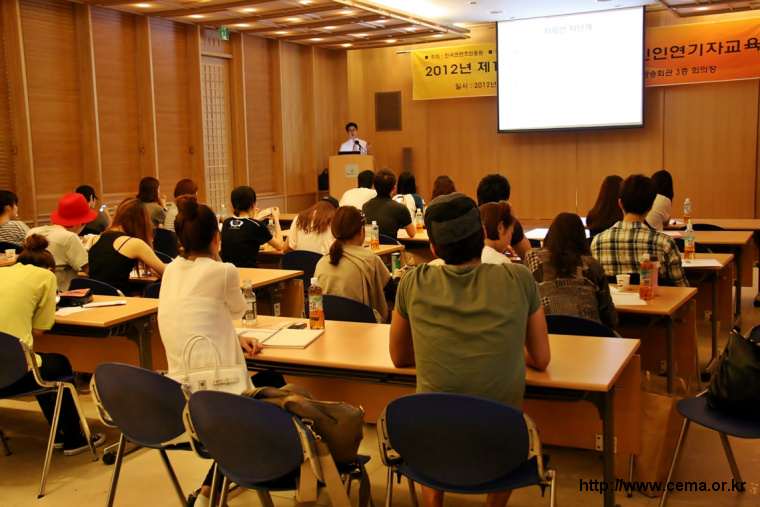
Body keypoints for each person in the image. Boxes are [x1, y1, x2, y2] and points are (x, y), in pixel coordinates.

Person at [389, 192, 550, 507]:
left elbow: (399, 358)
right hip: (501, 444)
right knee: (502, 426)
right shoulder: (518, 278)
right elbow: (542, 359)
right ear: (483, 235)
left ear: (433, 248)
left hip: (431, 444)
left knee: (435, 421)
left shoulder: (412, 282)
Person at [158, 195, 281, 507]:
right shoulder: (224, 270)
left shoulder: (170, 270)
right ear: (217, 237)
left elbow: (195, 318)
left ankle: (207, 492)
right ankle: (255, 471)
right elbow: (239, 311)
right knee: (274, 384)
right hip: (217, 393)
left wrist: (234, 338)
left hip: (179, 392)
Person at [0, 234, 106, 455]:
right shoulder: (45, 277)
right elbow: (38, 330)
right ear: (50, 269)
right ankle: (74, 438)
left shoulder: (3, 271)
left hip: (6, 367)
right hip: (13, 373)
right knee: (58, 364)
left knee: (41, 362)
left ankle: (58, 433)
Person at [591, 174, 688, 287]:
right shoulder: (665, 243)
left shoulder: (597, 242)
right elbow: (682, 288)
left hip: (614, 299)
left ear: (620, 203)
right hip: (655, 298)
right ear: (650, 207)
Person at [525, 213, 618, 328]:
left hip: (548, 331)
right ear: (581, 238)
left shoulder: (533, 257)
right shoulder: (592, 265)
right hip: (589, 332)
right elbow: (609, 316)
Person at [314, 206, 394, 323]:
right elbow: (393, 293)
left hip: (328, 327)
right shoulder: (370, 259)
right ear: (361, 231)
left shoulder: (322, 262)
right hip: (363, 328)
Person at [88, 198, 167, 295]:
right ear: (141, 221)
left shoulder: (95, 239)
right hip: (121, 299)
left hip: (95, 298)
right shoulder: (134, 243)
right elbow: (165, 272)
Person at [27, 193, 97, 292]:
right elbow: (91, 272)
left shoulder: (32, 232)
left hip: (33, 291)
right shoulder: (69, 237)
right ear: (81, 222)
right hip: (59, 295)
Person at [220, 186, 283, 268]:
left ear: (232, 206)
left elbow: (243, 227)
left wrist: (253, 218)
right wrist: (276, 219)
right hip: (250, 272)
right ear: (253, 205)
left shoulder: (226, 222)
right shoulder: (256, 225)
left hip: (228, 272)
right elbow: (279, 246)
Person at [476, 173, 532, 259]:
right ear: (505, 201)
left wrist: (501, 246)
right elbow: (528, 255)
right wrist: (513, 218)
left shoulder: (470, 217)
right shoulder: (506, 221)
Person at [362, 168, 416, 240]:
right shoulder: (400, 208)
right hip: (392, 247)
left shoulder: (365, 206)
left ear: (374, 186)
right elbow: (412, 233)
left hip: (371, 246)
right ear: (394, 188)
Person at [479, 201, 515, 265]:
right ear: (500, 227)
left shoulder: (468, 256)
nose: (509, 242)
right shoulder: (502, 263)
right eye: (511, 232)